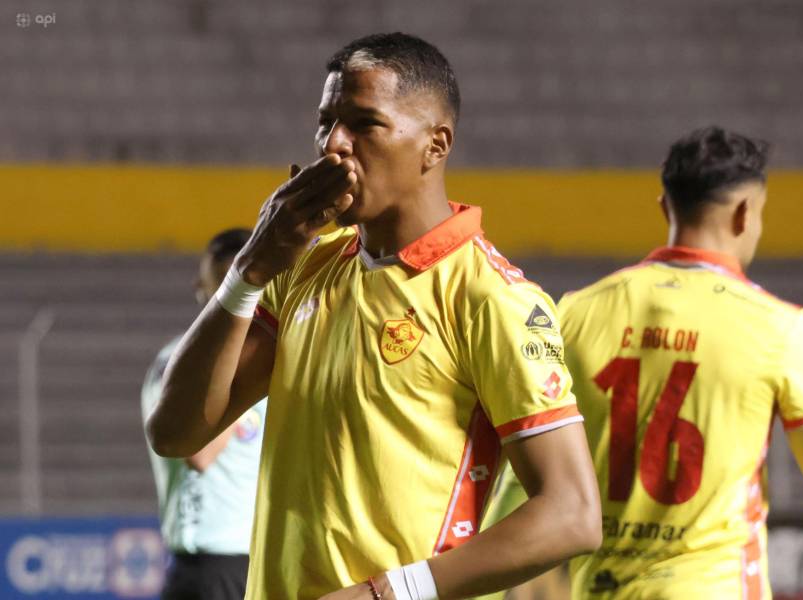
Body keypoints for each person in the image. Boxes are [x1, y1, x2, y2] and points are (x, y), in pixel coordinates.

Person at [146, 32, 601, 600]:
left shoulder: (490, 298)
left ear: (435, 145)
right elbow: (175, 432)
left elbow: (572, 513)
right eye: (326, 122)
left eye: (364, 124)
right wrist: (249, 271)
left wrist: (387, 593)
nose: (333, 144)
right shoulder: (302, 268)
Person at [555, 126, 803, 598]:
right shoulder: (780, 329)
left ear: (665, 206)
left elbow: (525, 479)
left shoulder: (575, 313)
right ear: (745, 213)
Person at [141, 227, 267, 600]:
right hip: (212, 564)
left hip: (257, 558)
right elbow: (198, 451)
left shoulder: (268, 359)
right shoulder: (178, 362)